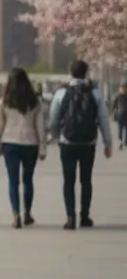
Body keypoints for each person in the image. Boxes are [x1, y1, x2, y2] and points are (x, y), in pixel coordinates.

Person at [47, 60, 114, 230]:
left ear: (70, 72)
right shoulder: (95, 93)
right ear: (86, 73)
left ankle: (70, 217)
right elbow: (103, 119)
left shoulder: (61, 92)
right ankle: (85, 216)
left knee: (68, 180)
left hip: (67, 142)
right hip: (88, 142)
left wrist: (55, 136)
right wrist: (108, 143)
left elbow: (54, 117)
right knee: (86, 180)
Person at [0, 67, 46, 228]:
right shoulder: (35, 102)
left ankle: (15, 214)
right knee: (28, 180)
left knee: (13, 180)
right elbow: (41, 127)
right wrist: (42, 147)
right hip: (30, 143)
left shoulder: (4, 102)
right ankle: (27, 213)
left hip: (10, 142)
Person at [113, 84, 127, 150]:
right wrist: (114, 112)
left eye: (124, 89)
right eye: (122, 89)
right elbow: (114, 105)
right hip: (120, 114)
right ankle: (120, 142)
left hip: (125, 114)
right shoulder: (118, 96)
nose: (123, 90)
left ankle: (125, 141)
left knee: (125, 128)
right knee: (120, 129)